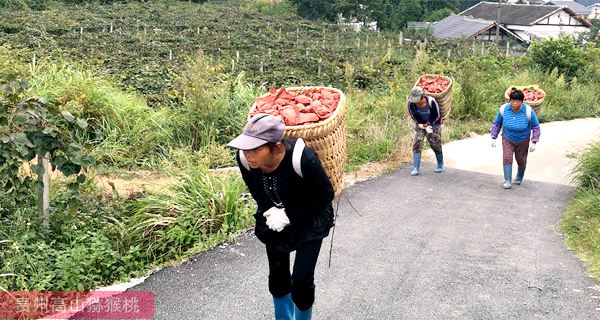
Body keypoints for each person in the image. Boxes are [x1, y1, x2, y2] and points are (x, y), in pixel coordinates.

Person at [227, 113, 334, 320]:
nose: (249, 155)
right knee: (278, 279)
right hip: (273, 219)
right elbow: (255, 189)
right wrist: (269, 210)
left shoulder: (302, 158)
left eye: (256, 149)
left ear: (275, 147)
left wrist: (289, 215)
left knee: (301, 283)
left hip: (309, 220)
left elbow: (325, 194)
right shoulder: (245, 160)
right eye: (246, 148)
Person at [490, 88, 541, 189]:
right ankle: (507, 180)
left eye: (517, 101)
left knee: (521, 160)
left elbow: (536, 127)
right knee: (507, 158)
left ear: (522, 102)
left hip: (523, 139)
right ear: (510, 101)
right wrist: (493, 137)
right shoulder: (504, 109)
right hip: (507, 138)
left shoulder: (528, 111)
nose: (515, 103)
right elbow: (497, 123)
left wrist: (534, 141)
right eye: (513, 101)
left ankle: (519, 177)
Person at [407, 86, 444, 176]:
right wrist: (421, 123)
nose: (416, 102)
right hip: (421, 124)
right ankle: (416, 168)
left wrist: (429, 124)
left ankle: (440, 164)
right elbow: (413, 115)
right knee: (417, 143)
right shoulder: (411, 103)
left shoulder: (431, 101)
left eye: (418, 99)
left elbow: (437, 115)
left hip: (434, 123)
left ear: (422, 96)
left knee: (435, 143)